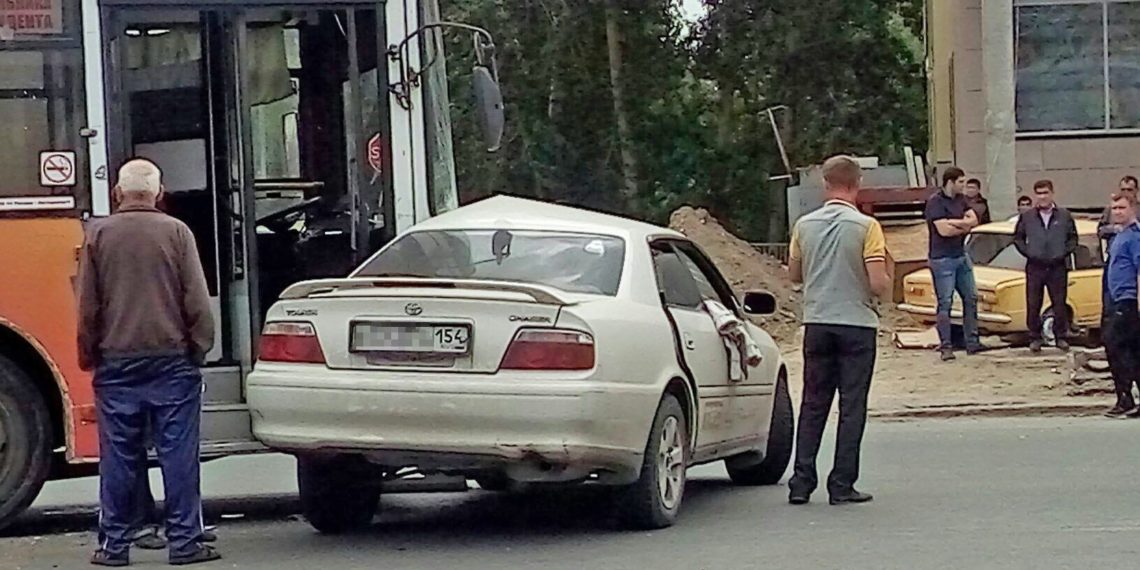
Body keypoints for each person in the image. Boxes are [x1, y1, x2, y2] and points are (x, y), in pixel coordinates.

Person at [77, 159, 221, 567]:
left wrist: (89, 354)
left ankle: (113, 547)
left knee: (118, 458)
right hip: (172, 362)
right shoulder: (177, 232)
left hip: (116, 363)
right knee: (178, 456)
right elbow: (197, 300)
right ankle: (185, 542)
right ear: (160, 193)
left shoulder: (98, 235)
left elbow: (87, 306)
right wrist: (198, 349)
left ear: (117, 193)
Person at [787, 155, 891, 506]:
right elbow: (877, 282)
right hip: (856, 324)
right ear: (857, 183)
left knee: (813, 403)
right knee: (852, 406)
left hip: (817, 321)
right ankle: (842, 484)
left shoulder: (804, 225)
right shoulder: (867, 227)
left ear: (825, 183)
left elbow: (794, 274)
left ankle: (801, 482)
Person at [1013, 180, 1078, 353]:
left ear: (1052, 193)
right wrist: (1029, 253)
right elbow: (1018, 238)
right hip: (1035, 266)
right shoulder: (1027, 216)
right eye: (1039, 193)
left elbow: (1073, 238)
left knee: (1059, 302)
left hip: (1057, 266)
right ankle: (1034, 337)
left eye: (1045, 193)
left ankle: (1061, 336)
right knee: (1033, 302)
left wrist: (1062, 253)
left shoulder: (1064, 215)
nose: (1042, 197)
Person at [925, 166, 982, 361]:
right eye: (960, 182)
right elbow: (944, 231)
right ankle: (946, 346)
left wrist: (954, 222)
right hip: (942, 258)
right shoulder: (935, 202)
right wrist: (963, 225)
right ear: (950, 182)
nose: (963, 186)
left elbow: (974, 220)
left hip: (960, 255)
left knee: (971, 297)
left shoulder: (961, 199)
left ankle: (972, 342)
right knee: (945, 302)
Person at [1101, 192, 1140, 419]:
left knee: (1117, 347)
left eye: (1122, 208)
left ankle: (1125, 398)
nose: (1117, 212)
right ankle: (1126, 398)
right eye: (1114, 208)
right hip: (1114, 299)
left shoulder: (1134, 237)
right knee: (1129, 350)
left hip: (1127, 301)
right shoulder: (1119, 236)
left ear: (1132, 209)